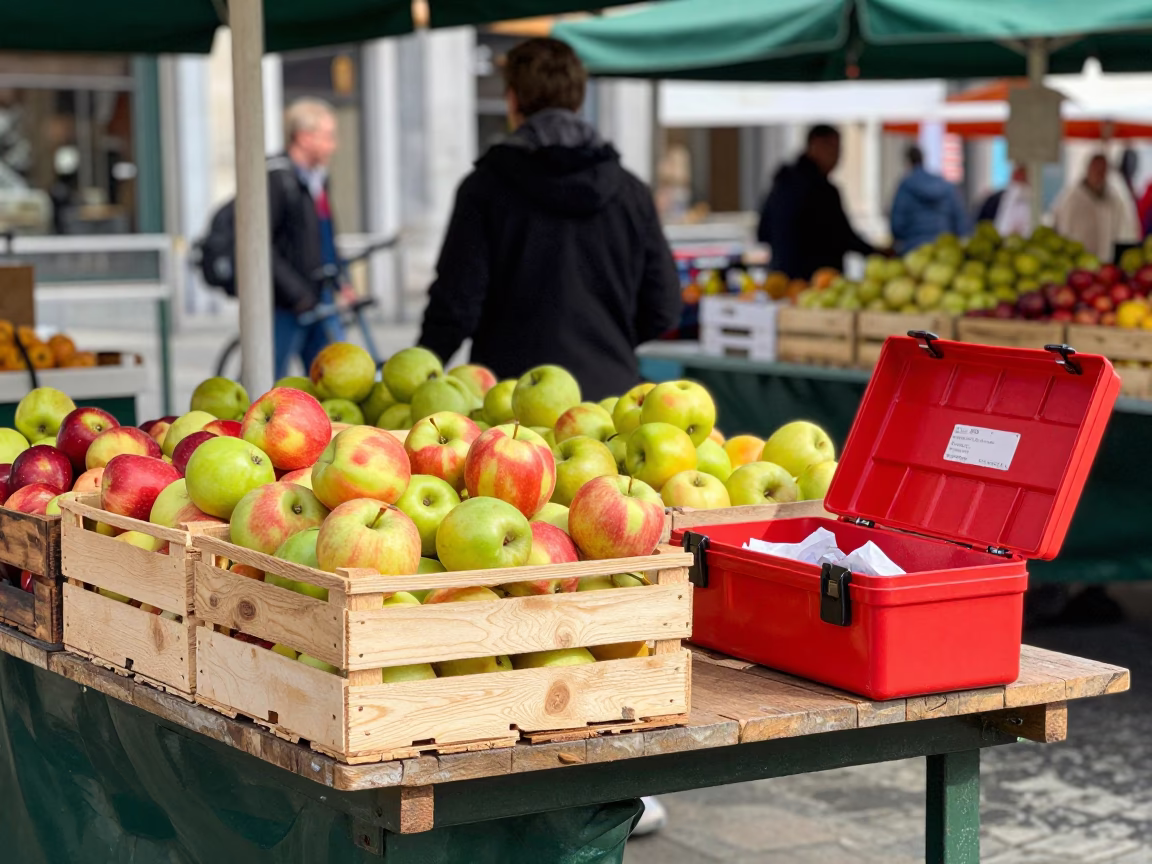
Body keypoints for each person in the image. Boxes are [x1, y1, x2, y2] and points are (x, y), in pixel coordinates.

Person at [418, 38, 681, 401]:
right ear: (579, 99)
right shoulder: (630, 190)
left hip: (511, 408)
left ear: (512, 100)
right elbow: (664, 306)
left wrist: (418, 376)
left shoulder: (485, 188)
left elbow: (455, 306)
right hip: (610, 403)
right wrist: (605, 340)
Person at [270, 97, 348, 379]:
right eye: (327, 136)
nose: (333, 145)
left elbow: (327, 232)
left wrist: (342, 280)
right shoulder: (278, 179)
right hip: (289, 302)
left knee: (330, 379)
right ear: (303, 137)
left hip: (320, 295)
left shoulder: (318, 179)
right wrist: (297, 294)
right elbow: (261, 248)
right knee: (271, 376)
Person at [756, 125, 876, 280]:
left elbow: (763, 232)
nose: (838, 157)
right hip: (818, 281)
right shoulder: (821, 190)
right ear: (816, 145)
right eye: (834, 149)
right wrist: (876, 253)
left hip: (781, 279)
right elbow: (843, 236)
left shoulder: (781, 182)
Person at [1052, 154, 1141, 262]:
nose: (1099, 174)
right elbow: (1061, 228)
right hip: (1078, 262)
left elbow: (1126, 230)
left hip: (1108, 262)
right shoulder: (1070, 199)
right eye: (1096, 169)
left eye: (1103, 170)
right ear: (1088, 169)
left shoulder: (1115, 198)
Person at [889, 145, 968, 253]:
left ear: (908, 162)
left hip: (913, 249)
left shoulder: (905, 186)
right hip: (944, 250)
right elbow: (960, 220)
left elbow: (897, 224)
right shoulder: (945, 185)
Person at [993, 165, 1033, 238]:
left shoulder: (1025, 195)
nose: (1018, 177)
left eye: (1021, 175)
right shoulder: (1010, 194)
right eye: (1017, 175)